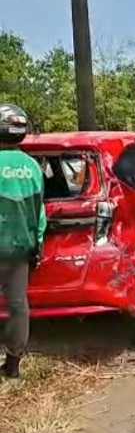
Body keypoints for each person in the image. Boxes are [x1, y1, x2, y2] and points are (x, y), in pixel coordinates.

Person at [0, 105, 46, 380]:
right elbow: (40, 215)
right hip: (20, 250)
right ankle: (13, 364)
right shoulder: (33, 167)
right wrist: (37, 246)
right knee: (18, 306)